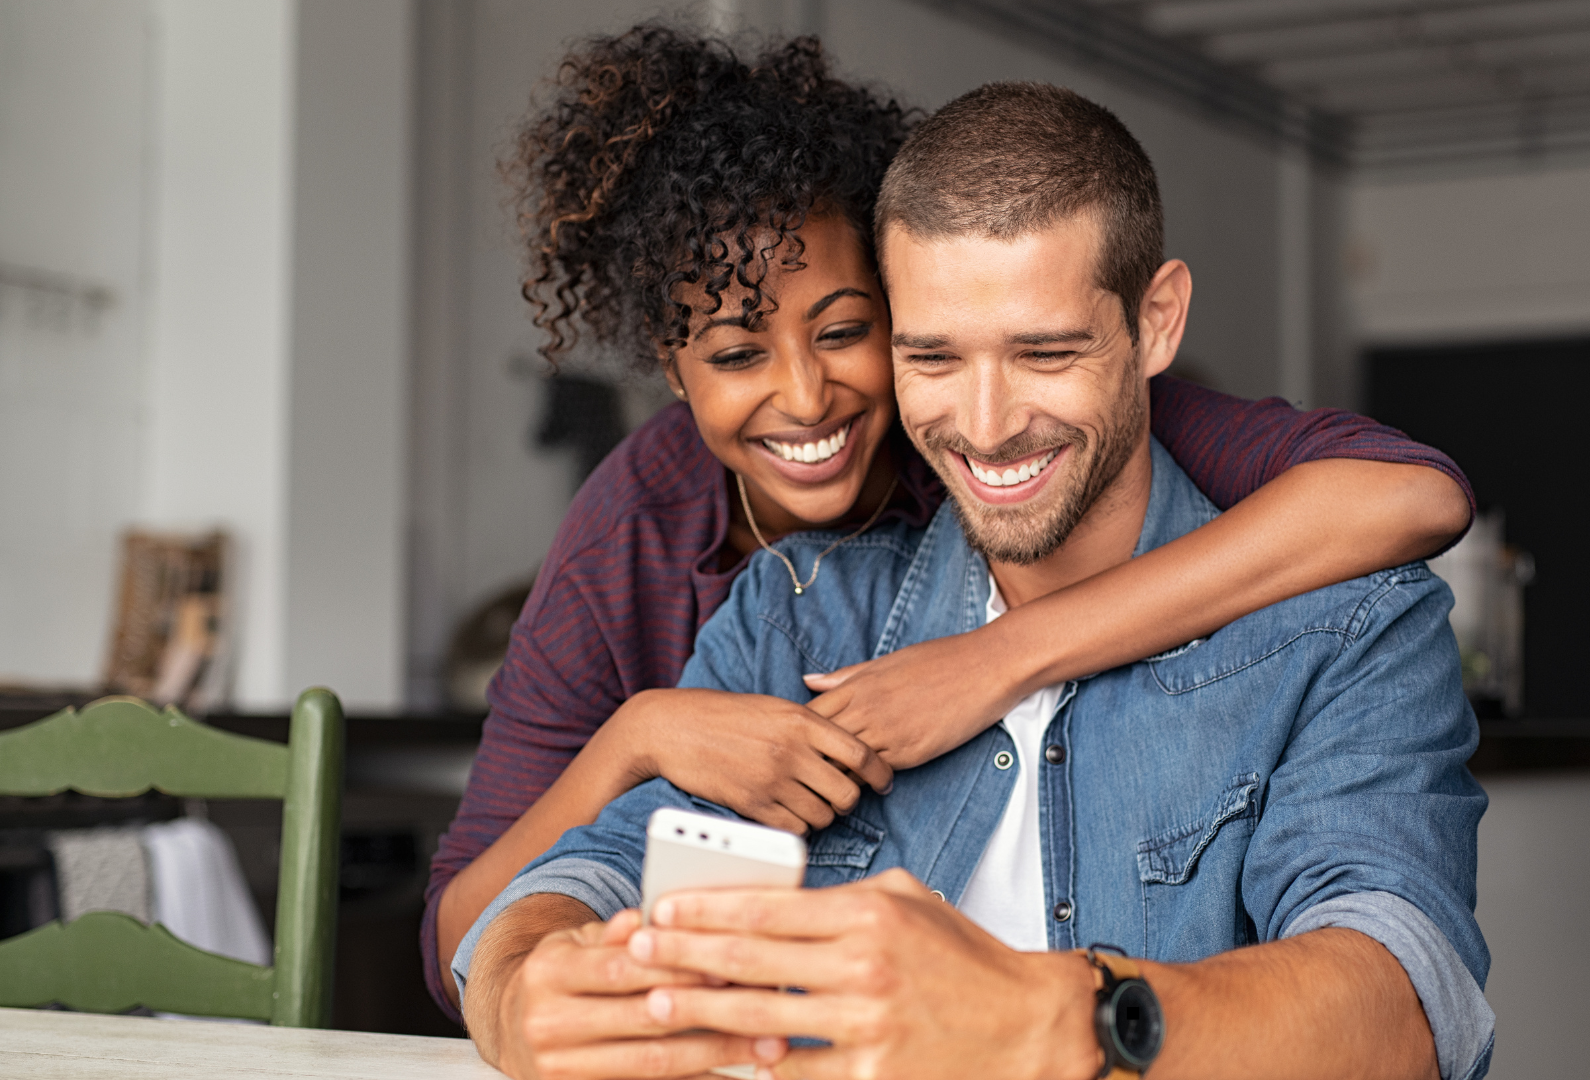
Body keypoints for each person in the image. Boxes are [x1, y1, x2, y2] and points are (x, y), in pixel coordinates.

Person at [425, 28, 1476, 1019]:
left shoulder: (1207, 502)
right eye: (937, 357)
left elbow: (1411, 496)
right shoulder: (735, 578)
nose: (805, 398)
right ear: (673, 373)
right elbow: (498, 926)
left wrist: (993, 660)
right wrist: (636, 745)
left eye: (845, 335)